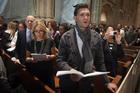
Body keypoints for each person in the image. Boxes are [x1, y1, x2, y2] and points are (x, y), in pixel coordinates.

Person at [56, 3, 117, 93]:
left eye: (88, 15)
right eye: (82, 15)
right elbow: (60, 60)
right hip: (68, 82)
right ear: (75, 18)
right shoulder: (66, 36)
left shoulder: (96, 36)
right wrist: (70, 70)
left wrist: (107, 82)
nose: (86, 18)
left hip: (87, 83)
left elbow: (100, 62)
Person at [25, 21, 57, 89]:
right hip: (34, 70)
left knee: (49, 89)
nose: (38, 33)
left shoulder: (49, 41)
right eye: (36, 31)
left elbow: (54, 55)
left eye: (41, 31)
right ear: (33, 32)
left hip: (47, 71)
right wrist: (31, 59)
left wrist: (49, 57)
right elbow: (26, 58)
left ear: (44, 31)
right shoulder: (30, 43)